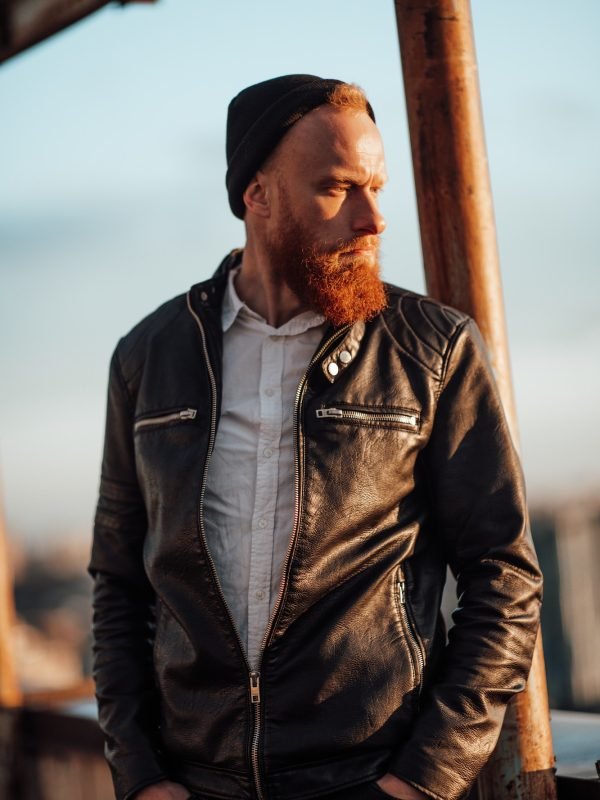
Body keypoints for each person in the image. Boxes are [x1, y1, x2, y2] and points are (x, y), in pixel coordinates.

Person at [90, 75, 542, 800]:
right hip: (198, 783)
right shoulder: (148, 357)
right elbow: (118, 587)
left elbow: (505, 577)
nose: (374, 218)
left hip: (368, 779)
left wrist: (423, 780)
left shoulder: (433, 350)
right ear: (257, 194)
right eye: (338, 188)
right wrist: (139, 776)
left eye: (377, 187)